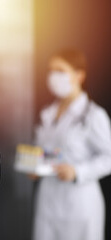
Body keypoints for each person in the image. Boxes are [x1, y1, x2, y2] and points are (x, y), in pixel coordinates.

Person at [32, 49, 111, 240]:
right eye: (51, 70)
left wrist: (77, 172)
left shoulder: (93, 115)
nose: (53, 76)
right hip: (48, 201)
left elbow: (109, 158)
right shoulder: (47, 114)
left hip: (80, 205)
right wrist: (33, 165)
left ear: (79, 75)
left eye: (60, 70)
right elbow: (40, 151)